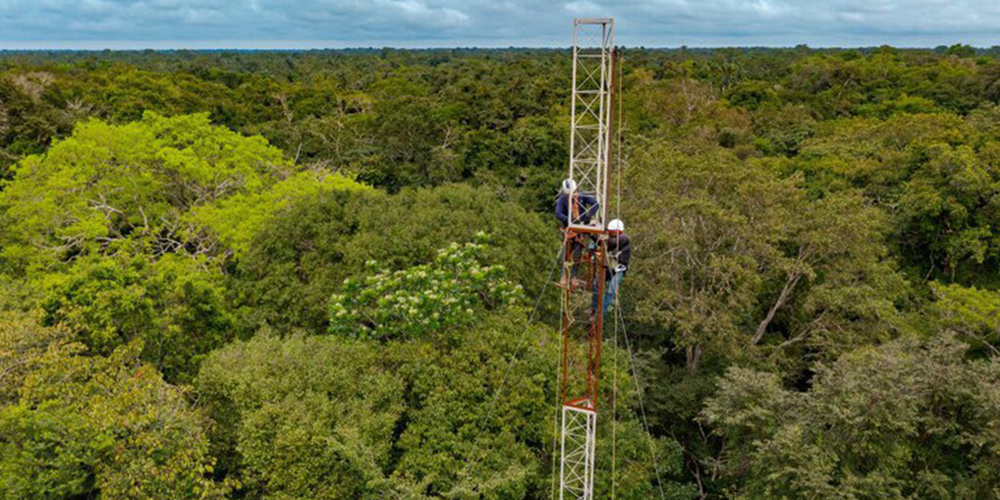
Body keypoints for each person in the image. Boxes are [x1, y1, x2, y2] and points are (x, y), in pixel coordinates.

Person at [555, 178, 599, 288]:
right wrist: (569, 220)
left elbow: (595, 204)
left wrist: (589, 215)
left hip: (580, 228)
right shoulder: (563, 199)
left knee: (578, 253)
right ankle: (564, 275)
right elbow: (558, 213)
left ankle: (574, 276)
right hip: (568, 229)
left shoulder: (582, 196)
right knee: (566, 252)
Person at [593, 218, 631, 316]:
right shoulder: (612, 239)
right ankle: (593, 309)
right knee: (597, 284)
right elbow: (602, 244)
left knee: (611, 290)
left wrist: (601, 236)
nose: (610, 233)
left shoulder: (624, 238)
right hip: (609, 268)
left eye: (611, 231)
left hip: (618, 269)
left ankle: (601, 313)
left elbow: (611, 242)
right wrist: (592, 235)